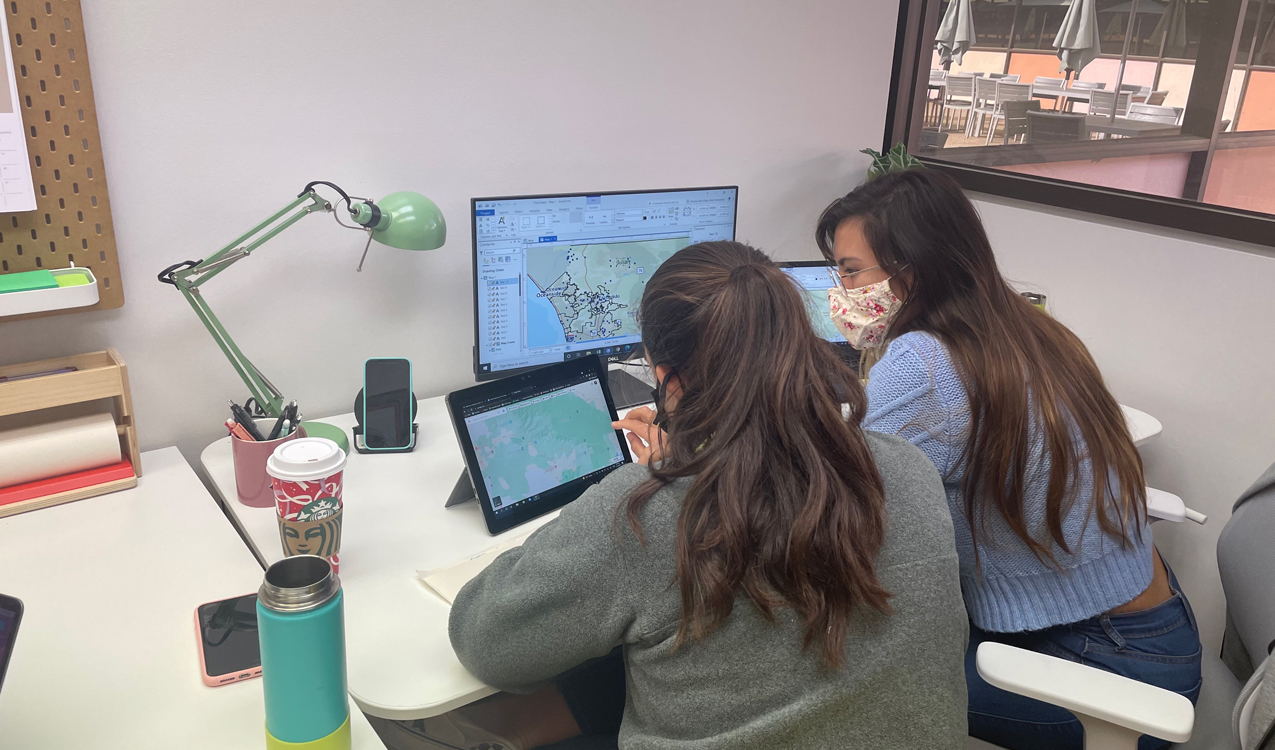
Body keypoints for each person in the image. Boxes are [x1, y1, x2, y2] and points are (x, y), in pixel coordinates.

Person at [438, 241, 968, 750]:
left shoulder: (646, 512)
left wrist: (652, 483)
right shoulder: (907, 465)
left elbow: (487, 645)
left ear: (665, 377)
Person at [815, 169, 1202, 750]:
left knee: (825, 679)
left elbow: (836, 506)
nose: (839, 289)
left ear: (911, 271)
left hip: (1107, 671)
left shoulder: (924, 360)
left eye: (849, 270)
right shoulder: (1027, 327)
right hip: (1155, 628)